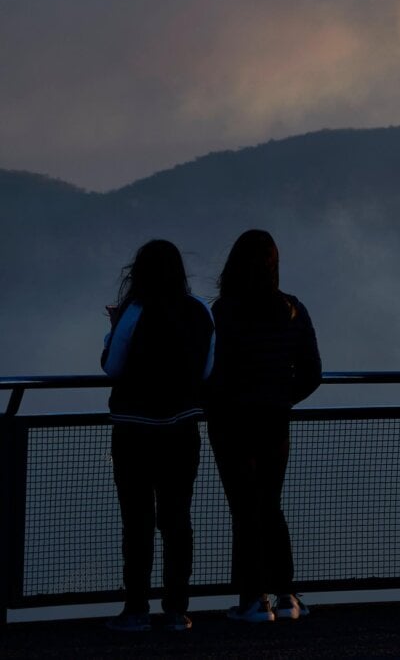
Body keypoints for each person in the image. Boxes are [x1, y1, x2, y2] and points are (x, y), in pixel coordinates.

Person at [206, 229, 323, 624]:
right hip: (275, 422)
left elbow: (211, 371)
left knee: (244, 508)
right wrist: (283, 398)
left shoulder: (222, 312)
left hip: (230, 422)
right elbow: (312, 372)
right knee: (270, 505)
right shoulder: (292, 309)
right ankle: (286, 594)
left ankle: (253, 599)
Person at [101, 239, 215, 632]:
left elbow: (112, 367)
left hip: (134, 431)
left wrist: (112, 329)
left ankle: (135, 610)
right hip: (183, 429)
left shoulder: (134, 311)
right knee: (177, 520)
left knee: (137, 521)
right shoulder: (199, 310)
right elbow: (206, 371)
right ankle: (176, 610)